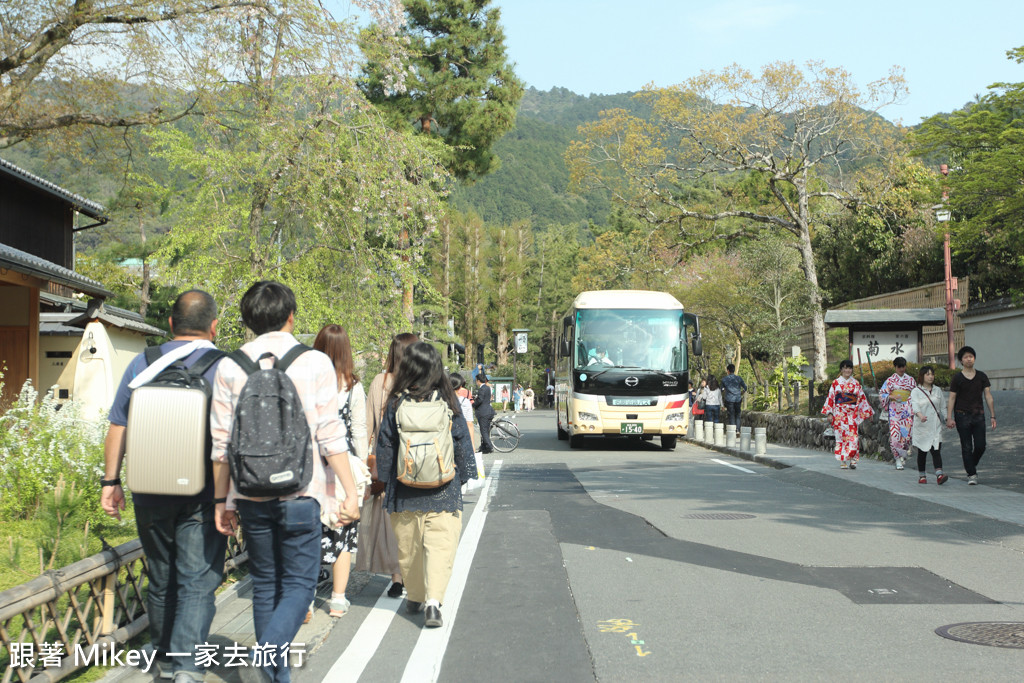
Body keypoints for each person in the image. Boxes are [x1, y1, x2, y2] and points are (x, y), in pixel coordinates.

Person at [210, 281, 359, 683]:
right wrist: (349, 490)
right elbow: (331, 434)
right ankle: (270, 651)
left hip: (250, 493)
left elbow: (221, 445)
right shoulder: (313, 363)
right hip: (301, 493)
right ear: (291, 316)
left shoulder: (229, 366)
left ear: (246, 321)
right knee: (299, 584)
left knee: (265, 584)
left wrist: (221, 502)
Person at [101, 290, 227, 682]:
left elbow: (118, 424)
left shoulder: (143, 362)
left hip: (149, 487)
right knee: (197, 578)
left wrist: (110, 481)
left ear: (170, 324)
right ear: (214, 326)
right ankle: (187, 669)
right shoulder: (224, 367)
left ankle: (167, 657)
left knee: (161, 574)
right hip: (203, 491)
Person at [374, 342, 476, 628]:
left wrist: (383, 481)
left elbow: (385, 446)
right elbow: (461, 442)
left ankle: (415, 596)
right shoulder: (448, 402)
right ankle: (433, 602)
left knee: (409, 548)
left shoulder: (395, 404)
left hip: (404, 489)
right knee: (440, 546)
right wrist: (463, 478)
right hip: (443, 487)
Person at [312, 324, 368, 620]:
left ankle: (306, 599)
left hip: (312, 465)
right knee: (344, 532)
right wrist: (362, 472)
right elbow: (359, 431)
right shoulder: (353, 386)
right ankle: (337, 600)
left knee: (311, 531)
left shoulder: (306, 381)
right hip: (343, 465)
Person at [357, 333, 418, 596]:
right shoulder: (420, 382)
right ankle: (412, 572)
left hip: (385, 461)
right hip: (415, 461)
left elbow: (367, 427)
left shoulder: (380, 382)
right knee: (413, 518)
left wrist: (364, 463)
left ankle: (397, 576)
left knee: (391, 520)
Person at [945, 345, 997, 485]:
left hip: (978, 415)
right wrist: (949, 417)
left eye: (971, 357)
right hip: (961, 416)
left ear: (974, 358)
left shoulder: (982, 376)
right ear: (961, 360)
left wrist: (993, 415)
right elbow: (951, 398)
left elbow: (988, 396)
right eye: (966, 357)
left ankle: (970, 465)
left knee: (981, 445)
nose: (969, 359)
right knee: (966, 446)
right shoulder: (957, 378)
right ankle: (972, 474)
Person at [821, 359, 874, 470]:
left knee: (853, 438)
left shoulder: (856, 383)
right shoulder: (836, 383)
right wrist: (830, 413)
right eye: (845, 368)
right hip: (839, 414)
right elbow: (831, 397)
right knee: (840, 437)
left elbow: (862, 398)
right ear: (841, 370)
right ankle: (843, 460)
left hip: (852, 414)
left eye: (849, 368)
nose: (847, 370)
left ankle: (853, 459)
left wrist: (868, 412)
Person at [911, 365, 948, 485]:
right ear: (922, 376)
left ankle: (939, 475)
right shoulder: (916, 391)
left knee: (936, 449)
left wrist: (947, 418)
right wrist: (920, 415)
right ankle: (922, 475)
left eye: (932, 374)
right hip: (922, 426)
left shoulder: (937, 390)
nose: (931, 376)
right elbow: (915, 405)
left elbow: (942, 406)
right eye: (928, 374)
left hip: (935, 425)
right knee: (922, 451)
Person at [878, 356, 916, 470]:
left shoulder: (911, 380)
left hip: (907, 411)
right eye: (899, 367)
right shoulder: (890, 381)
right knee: (895, 436)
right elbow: (882, 394)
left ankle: (902, 455)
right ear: (895, 367)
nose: (901, 369)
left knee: (906, 436)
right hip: (894, 411)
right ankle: (897, 458)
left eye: (903, 366)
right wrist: (890, 396)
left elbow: (916, 394)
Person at [451, 373, 475, 452]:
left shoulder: (442, 400)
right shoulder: (465, 402)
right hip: (461, 437)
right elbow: (470, 424)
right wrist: (472, 445)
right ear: (460, 386)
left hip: (447, 439)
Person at [474, 373, 496, 454]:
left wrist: (473, 404)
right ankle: (484, 447)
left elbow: (480, 400)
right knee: (485, 430)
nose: (476, 382)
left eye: (476, 380)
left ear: (478, 381)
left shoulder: (482, 389)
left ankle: (489, 447)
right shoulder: (487, 387)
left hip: (483, 412)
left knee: (483, 431)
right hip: (488, 411)